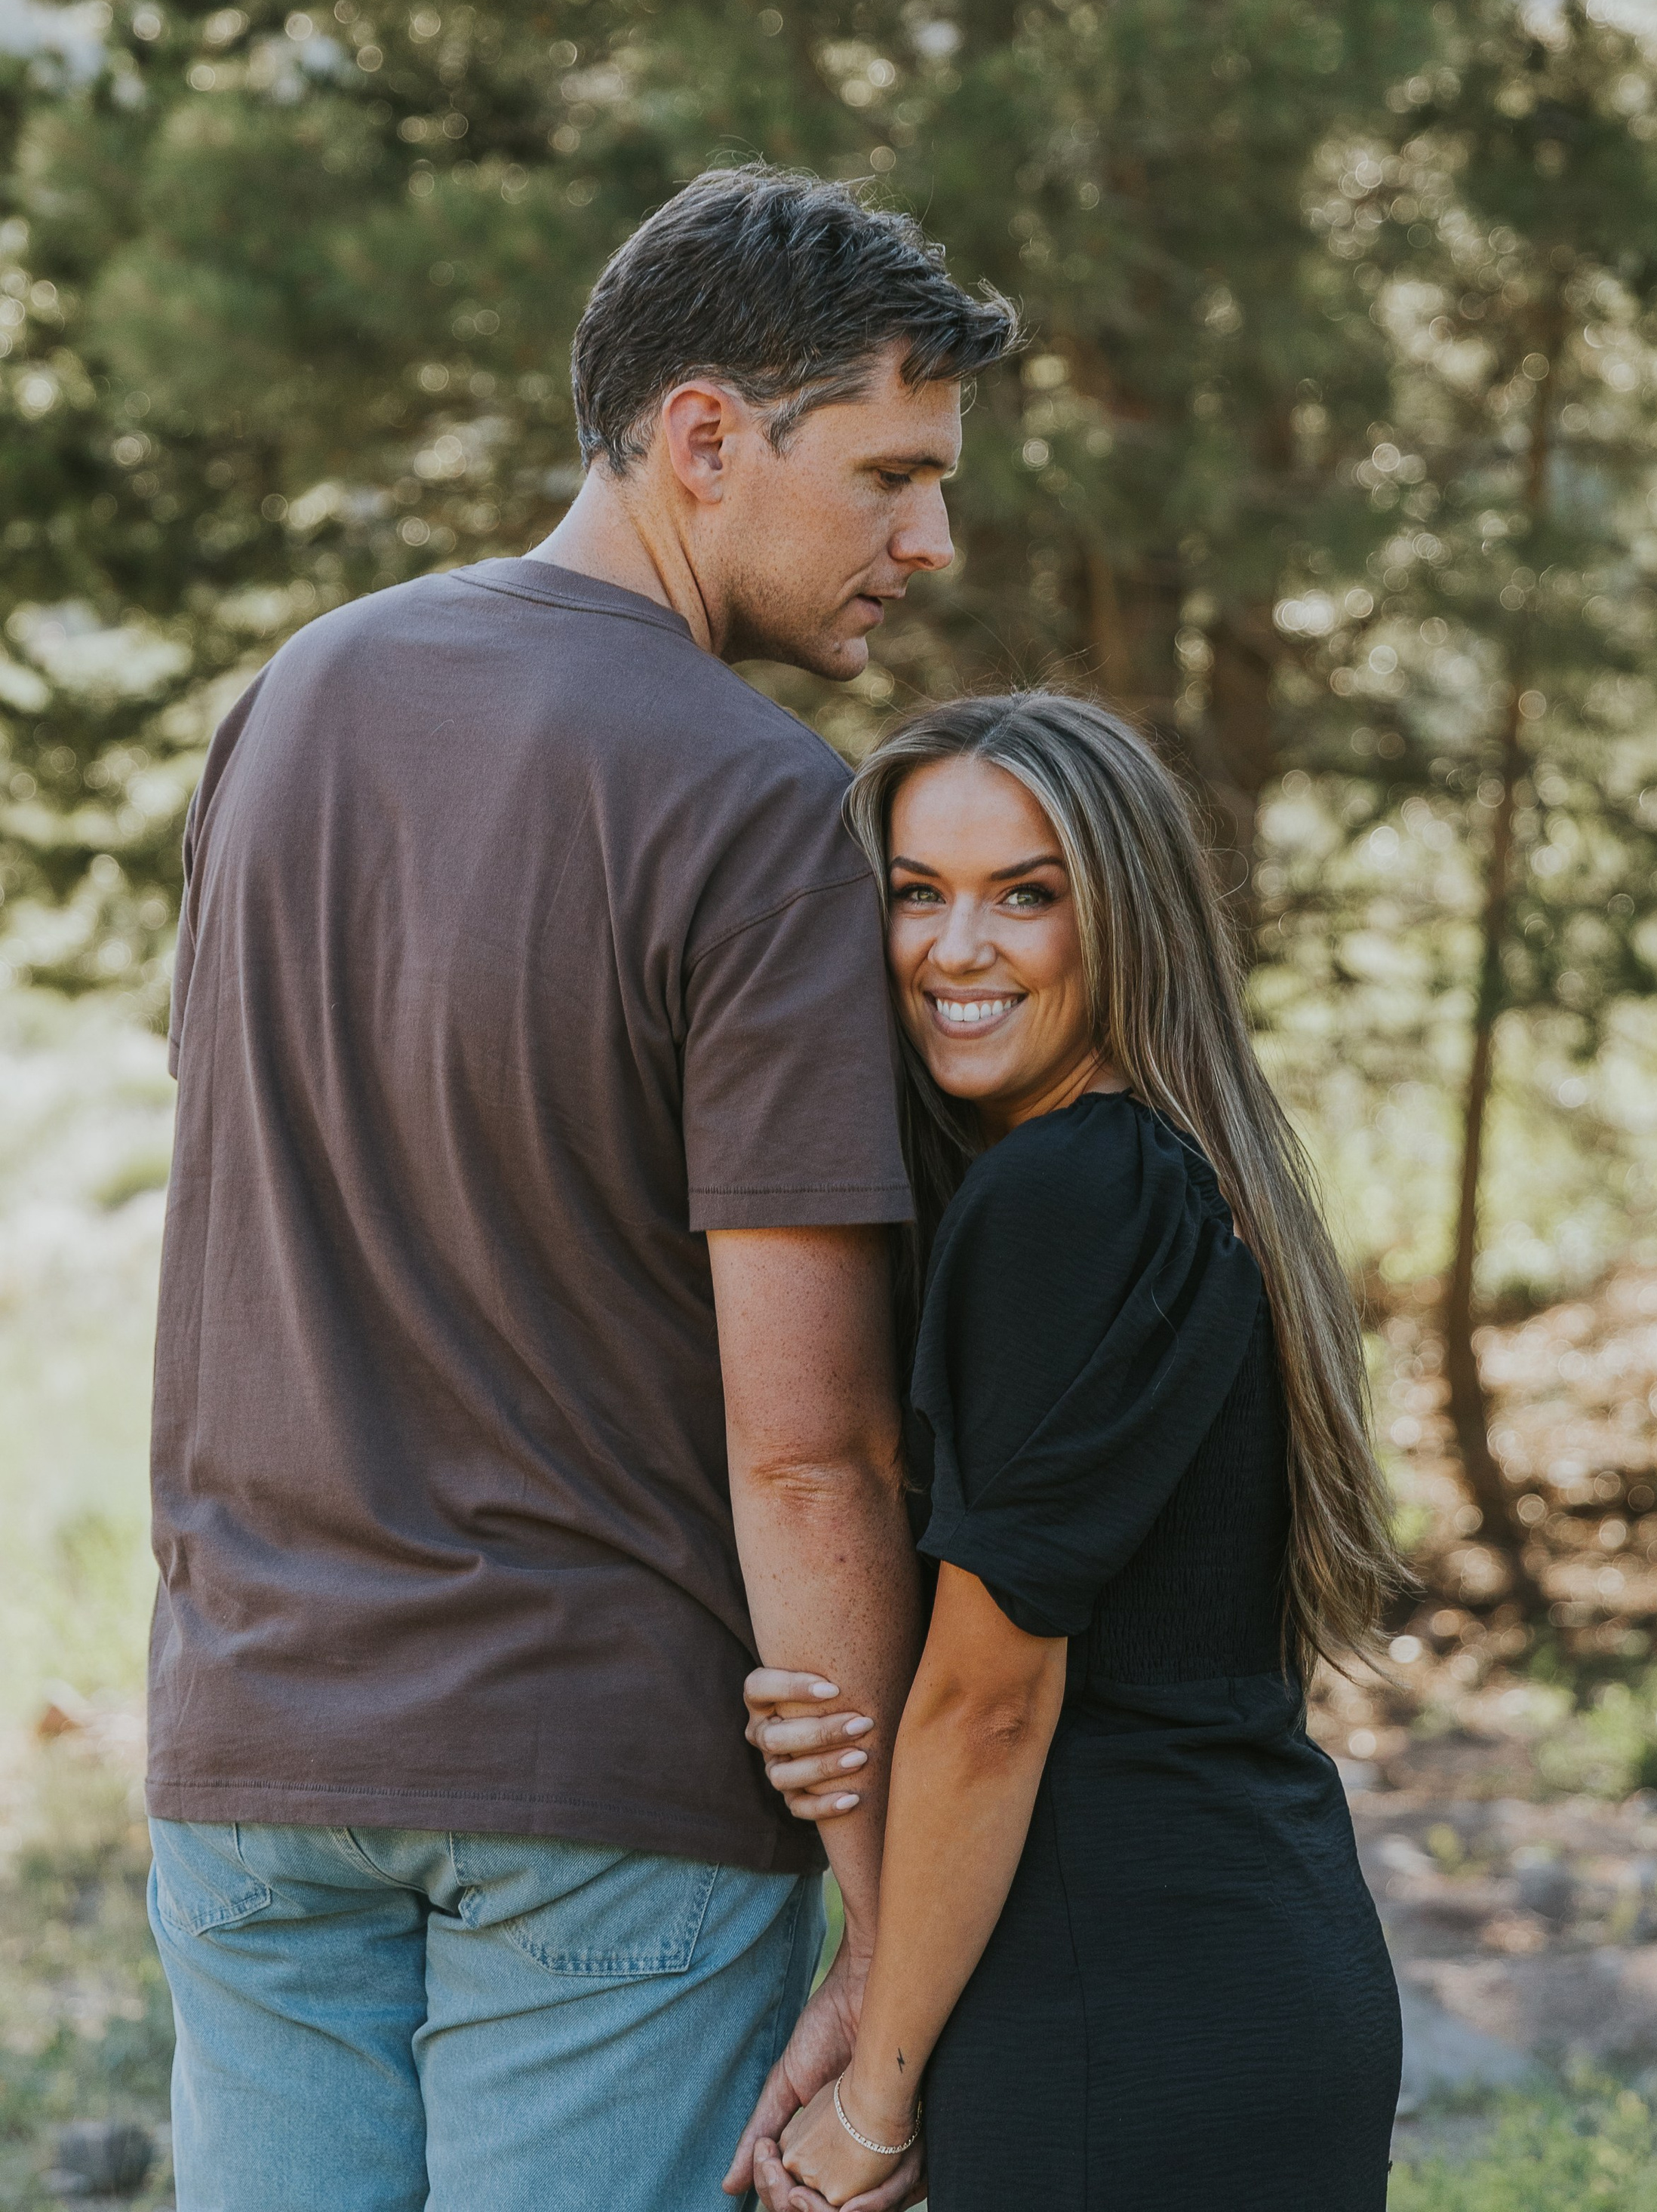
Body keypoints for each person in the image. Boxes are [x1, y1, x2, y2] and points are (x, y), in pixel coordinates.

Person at [147, 166, 1016, 2212]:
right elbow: (810, 1455)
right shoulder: (757, 801)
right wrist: (889, 1932)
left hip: (255, 1761)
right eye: (892, 473)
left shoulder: (290, 701)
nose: (933, 542)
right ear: (704, 437)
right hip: (601, 1791)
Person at [736, 692, 1406, 2212]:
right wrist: (827, 1705)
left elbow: (992, 1704)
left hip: (1119, 2001)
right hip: (1232, 1962)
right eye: (917, 895)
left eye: (1023, 896)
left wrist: (881, 2097)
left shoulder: (1065, 1196)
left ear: (1125, 918)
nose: (953, 950)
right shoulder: (1167, 1175)